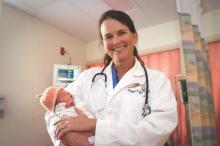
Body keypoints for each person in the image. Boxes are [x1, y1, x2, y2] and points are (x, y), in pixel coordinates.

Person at [46, 9, 178, 146]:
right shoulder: (88, 77)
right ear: (103, 43)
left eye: (121, 33)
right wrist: (75, 140)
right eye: (108, 36)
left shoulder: (156, 80)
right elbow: (54, 109)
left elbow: (158, 130)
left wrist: (94, 125)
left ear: (134, 37)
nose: (115, 41)